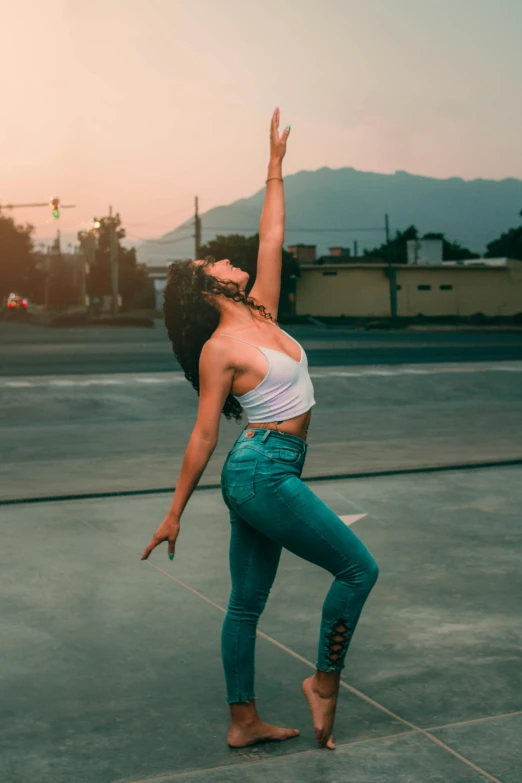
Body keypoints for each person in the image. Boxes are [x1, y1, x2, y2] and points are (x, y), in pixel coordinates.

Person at [141, 108, 379, 750]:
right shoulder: (220, 347)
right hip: (259, 470)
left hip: (269, 470)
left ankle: (242, 722)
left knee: (246, 604)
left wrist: (273, 166)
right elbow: (201, 436)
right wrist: (174, 511)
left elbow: (270, 237)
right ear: (205, 289)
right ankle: (324, 682)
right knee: (359, 571)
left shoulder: (262, 313)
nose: (228, 257)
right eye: (214, 261)